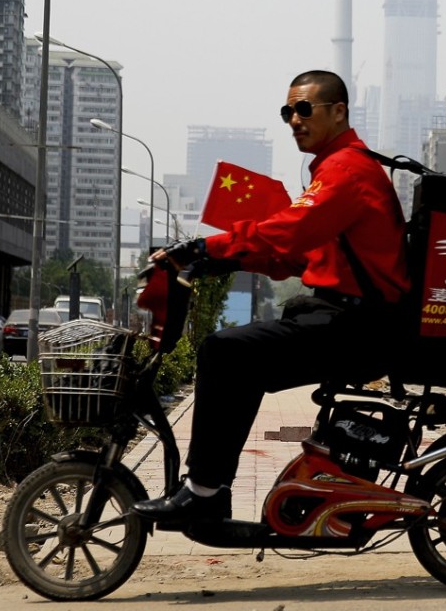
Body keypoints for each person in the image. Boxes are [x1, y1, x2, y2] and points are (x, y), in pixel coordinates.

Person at [133, 70, 411, 524]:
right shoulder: (337, 169)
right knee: (239, 357)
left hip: (358, 326)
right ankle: (211, 487)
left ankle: (205, 491)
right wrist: (219, 260)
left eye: (305, 109)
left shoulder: (347, 171)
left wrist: (206, 247)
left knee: (226, 353)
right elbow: (295, 259)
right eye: (287, 112)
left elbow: (290, 232)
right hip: (350, 320)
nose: (294, 120)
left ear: (338, 112)